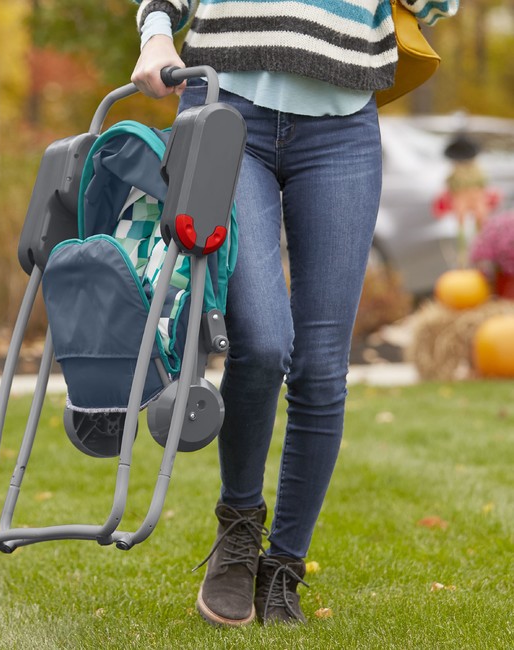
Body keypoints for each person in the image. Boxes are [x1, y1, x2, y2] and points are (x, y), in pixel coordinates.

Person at [130, 0, 459, 627]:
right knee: (260, 341)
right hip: (226, 108)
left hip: (342, 129)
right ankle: (237, 534)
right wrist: (154, 35)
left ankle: (285, 565)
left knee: (320, 365)